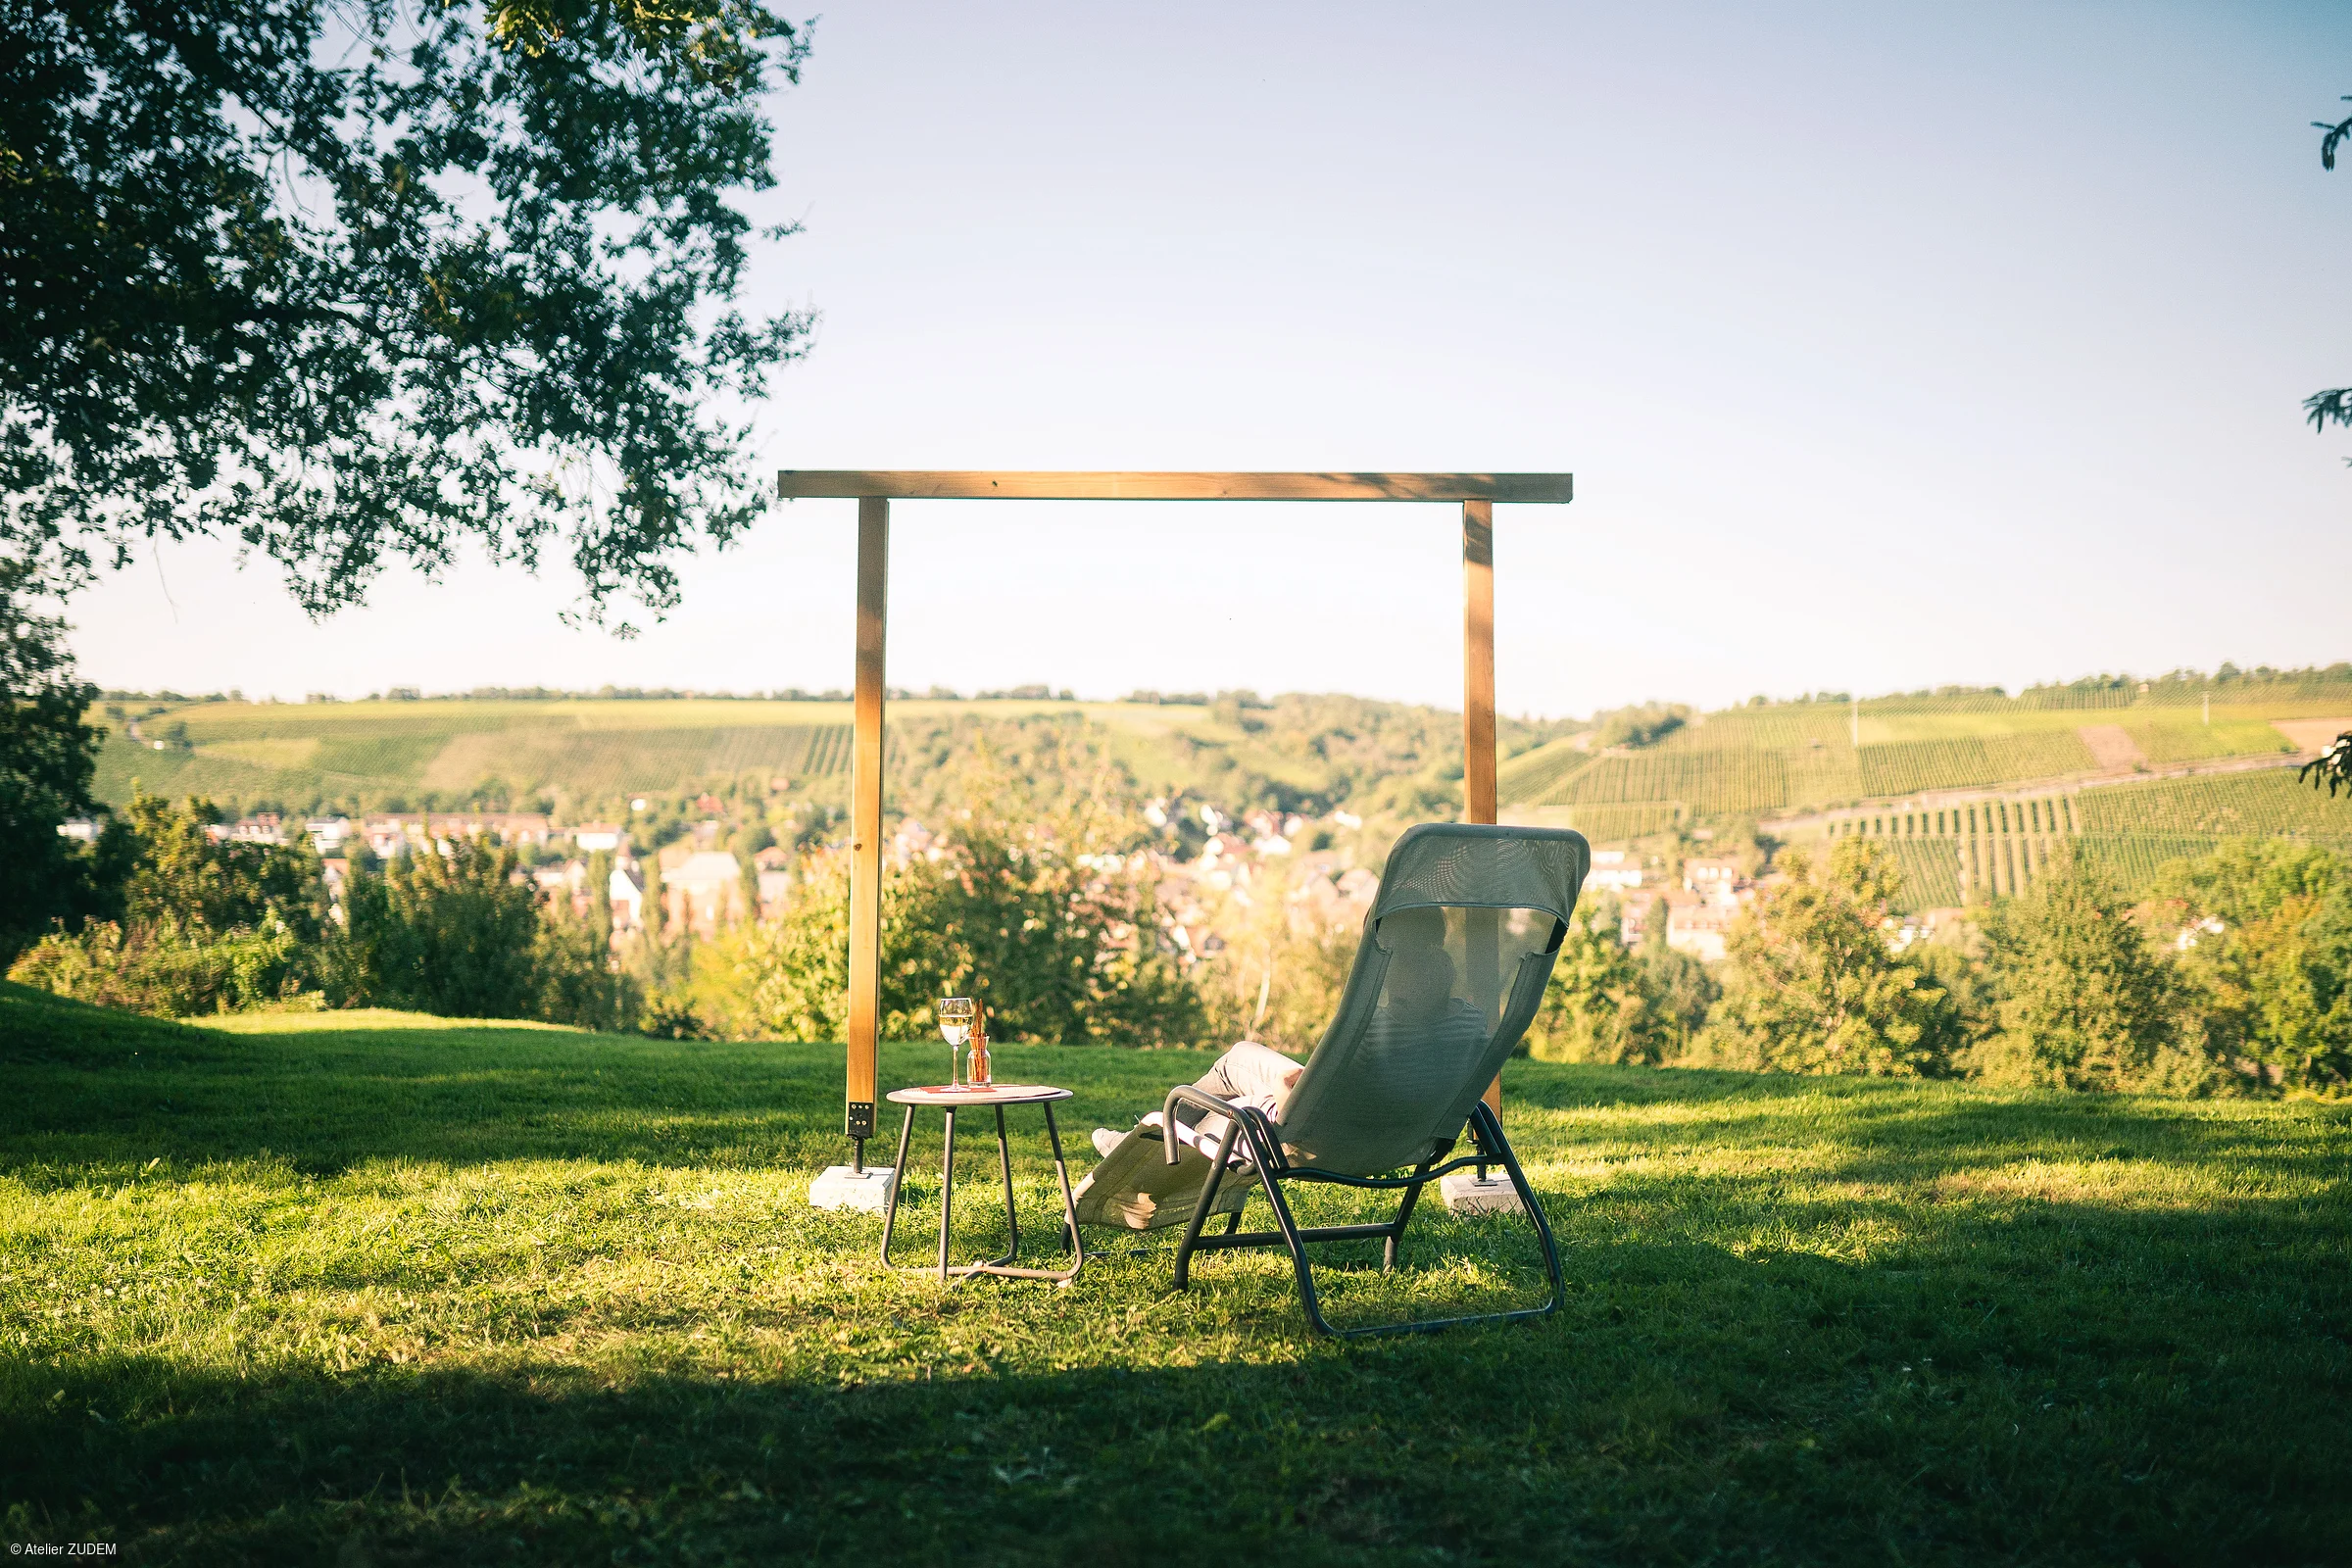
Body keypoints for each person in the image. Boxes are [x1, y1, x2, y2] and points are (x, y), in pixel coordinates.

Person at [1090, 905, 1492, 1161]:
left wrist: (1290, 1087)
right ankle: (1140, 1139)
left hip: (1327, 1138)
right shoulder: (1471, 1024)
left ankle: (1136, 1144)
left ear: (1391, 967)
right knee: (1239, 1063)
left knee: (1226, 1086)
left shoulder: (1375, 1030)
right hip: (1413, 1142)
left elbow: (1312, 1098)